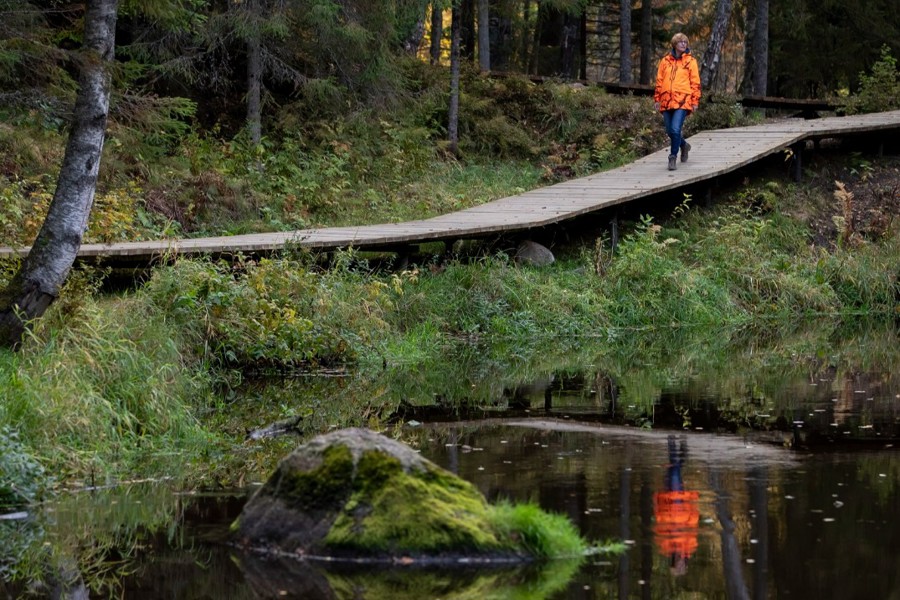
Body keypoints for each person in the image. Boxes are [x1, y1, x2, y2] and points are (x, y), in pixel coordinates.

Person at [654, 33, 701, 171]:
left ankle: (672, 157)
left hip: (683, 100)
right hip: (666, 100)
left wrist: (695, 100)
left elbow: (695, 82)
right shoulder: (665, 61)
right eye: (681, 42)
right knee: (670, 131)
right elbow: (659, 80)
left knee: (675, 129)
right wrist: (657, 98)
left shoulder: (690, 61)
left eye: (685, 42)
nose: (683, 44)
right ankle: (684, 145)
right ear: (674, 44)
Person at [653, 435, 700, 576]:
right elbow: (692, 527)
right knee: (674, 471)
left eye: (675, 564)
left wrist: (658, 506)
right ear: (684, 562)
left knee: (673, 470)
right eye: (679, 564)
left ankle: (682, 449)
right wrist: (691, 509)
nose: (677, 561)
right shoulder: (690, 546)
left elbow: (660, 526)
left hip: (667, 503)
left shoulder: (665, 547)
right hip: (680, 504)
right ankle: (672, 442)